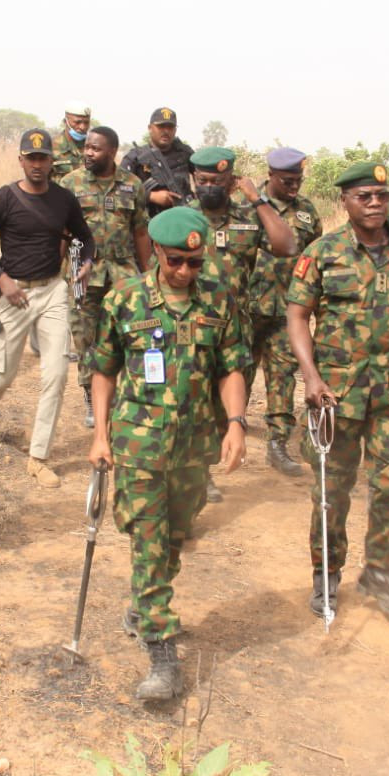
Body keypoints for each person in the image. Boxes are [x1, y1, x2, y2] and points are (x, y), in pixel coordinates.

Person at [87, 206, 250, 701]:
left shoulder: (218, 300)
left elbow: (232, 368)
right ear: (157, 251)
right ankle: (162, 654)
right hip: (138, 443)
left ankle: (143, 603)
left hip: (193, 443)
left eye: (194, 264)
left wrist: (237, 423)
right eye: (176, 261)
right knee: (150, 541)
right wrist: (99, 436)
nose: (184, 272)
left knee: (175, 536)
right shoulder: (125, 299)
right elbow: (103, 369)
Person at [287, 162, 389, 623]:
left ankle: (381, 570)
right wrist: (311, 376)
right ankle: (326, 574)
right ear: (346, 203)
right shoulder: (323, 252)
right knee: (331, 491)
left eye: (381, 195)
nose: (374, 203)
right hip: (336, 393)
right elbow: (297, 316)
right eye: (364, 196)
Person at [0, 129, 96, 488]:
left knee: (55, 375)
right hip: (14, 294)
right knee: (2, 373)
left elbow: (85, 236)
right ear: (21, 160)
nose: (37, 164)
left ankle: (38, 457)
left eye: (43, 158)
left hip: (53, 290)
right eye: (31, 158)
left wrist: (84, 261)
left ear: (52, 161)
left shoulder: (64, 199)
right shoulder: (2, 200)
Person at [188, 146, 295, 502]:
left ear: (231, 181)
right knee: (194, 401)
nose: (209, 187)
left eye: (217, 180)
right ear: (193, 180)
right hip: (192, 329)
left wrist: (258, 198)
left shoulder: (249, 216)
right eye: (202, 180)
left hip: (234, 331)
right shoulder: (184, 217)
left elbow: (285, 244)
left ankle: (206, 467)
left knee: (227, 403)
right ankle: (198, 474)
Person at [59, 126, 151, 429]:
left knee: (130, 334)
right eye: (87, 147)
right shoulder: (69, 183)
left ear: (112, 151)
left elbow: (139, 231)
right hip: (83, 271)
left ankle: (125, 394)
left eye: (96, 149)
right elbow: (60, 233)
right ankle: (90, 395)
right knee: (85, 337)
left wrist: (149, 273)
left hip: (123, 273)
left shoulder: (132, 185)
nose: (88, 153)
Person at [247, 147, 323, 477]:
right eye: (288, 181)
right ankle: (229, 428)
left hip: (287, 308)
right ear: (271, 176)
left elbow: (314, 257)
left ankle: (277, 443)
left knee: (281, 376)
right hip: (248, 306)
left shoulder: (306, 210)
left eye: (298, 180)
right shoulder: (246, 208)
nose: (294, 187)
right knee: (239, 369)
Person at [120, 107, 195, 216]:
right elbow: (119, 190)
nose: (166, 131)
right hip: (148, 221)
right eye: (161, 126)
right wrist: (150, 196)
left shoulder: (185, 153)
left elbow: (203, 179)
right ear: (150, 128)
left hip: (183, 216)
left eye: (170, 127)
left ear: (175, 130)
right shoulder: (135, 157)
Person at [51, 102, 91, 182]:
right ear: (65, 122)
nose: (82, 127)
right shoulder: (51, 146)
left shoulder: (93, 148)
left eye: (86, 123)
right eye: (77, 122)